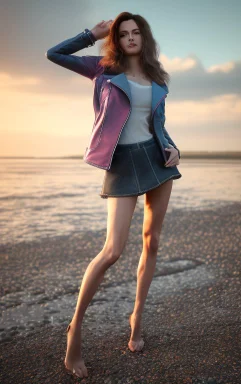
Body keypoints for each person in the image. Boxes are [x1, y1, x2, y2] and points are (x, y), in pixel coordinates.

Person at [46, 12, 182, 379]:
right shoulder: (102, 69)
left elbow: (159, 126)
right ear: (117, 40)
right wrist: (91, 33)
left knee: (152, 242)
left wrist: (174, 150)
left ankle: (137, 316)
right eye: (124, 34)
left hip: (157, 162)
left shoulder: (157, 77)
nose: (131, 38)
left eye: (136, 32)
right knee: (113, 251)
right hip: (121, 163)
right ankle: (75, 330)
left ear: (144, 37)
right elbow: (54, 54)